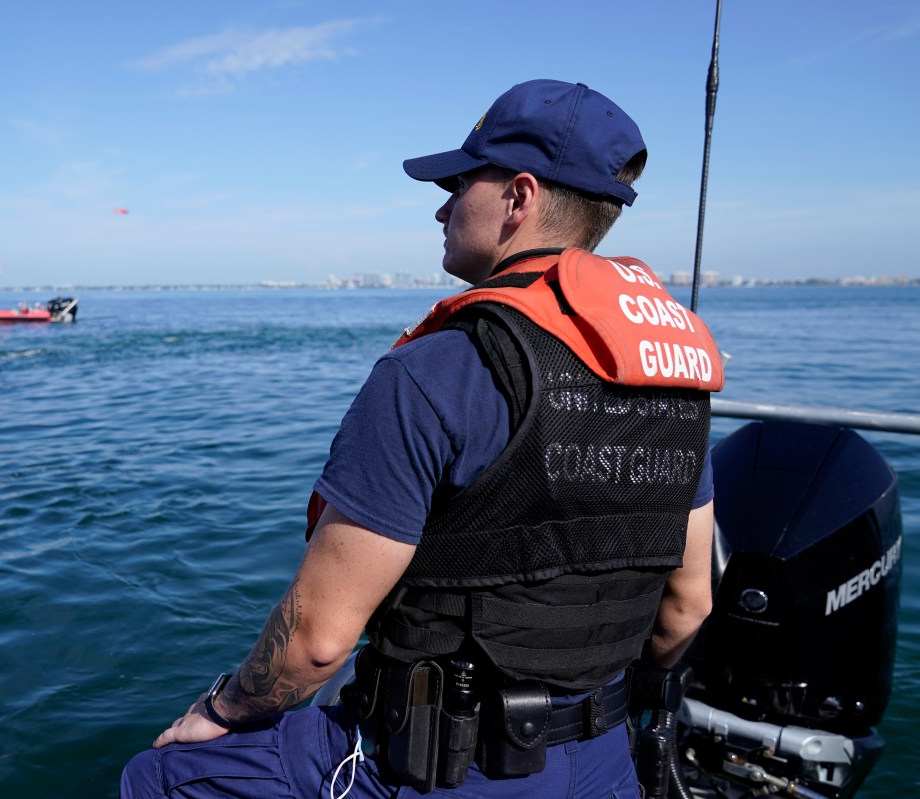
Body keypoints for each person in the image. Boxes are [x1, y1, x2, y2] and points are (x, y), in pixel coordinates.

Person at [119, 79, 723, 799]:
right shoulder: (674, 384)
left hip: (433, 768)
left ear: (520, 197)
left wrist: (221, 707)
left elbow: (317, 645)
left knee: (159, 775)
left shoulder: (436, 371)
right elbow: (689, 606)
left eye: (461, 181)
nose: (442, 205)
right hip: (606, 764)